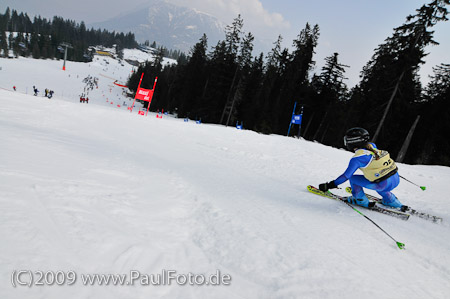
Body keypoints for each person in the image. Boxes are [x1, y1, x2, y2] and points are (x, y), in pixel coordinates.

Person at [318, 127, 406, 210]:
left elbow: (346, 176)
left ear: (352, 142)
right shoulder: (372, 146)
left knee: (353, 178)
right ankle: (391, 200)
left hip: (383, 184)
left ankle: (360, 200)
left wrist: (330, 185)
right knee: (378, 178)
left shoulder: (357, 159)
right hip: (395, 179)